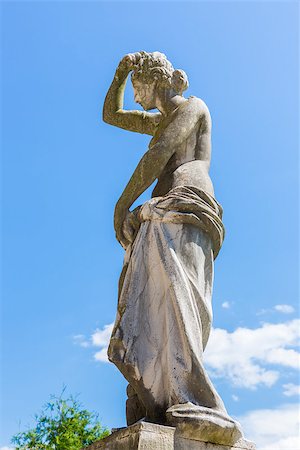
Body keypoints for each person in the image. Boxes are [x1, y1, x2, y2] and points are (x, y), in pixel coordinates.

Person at [102, 52, 242, 444]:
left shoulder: (192, 108)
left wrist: (121, 205)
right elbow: (111, 116)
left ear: (154, 81)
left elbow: (158, 154)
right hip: (159, 214)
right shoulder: (160, 118)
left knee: (180, 303)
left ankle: (190, 396)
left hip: (184, 206)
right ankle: (156, 397)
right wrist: (118, 75)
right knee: (149, 300)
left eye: (136, 86)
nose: (134, 95)